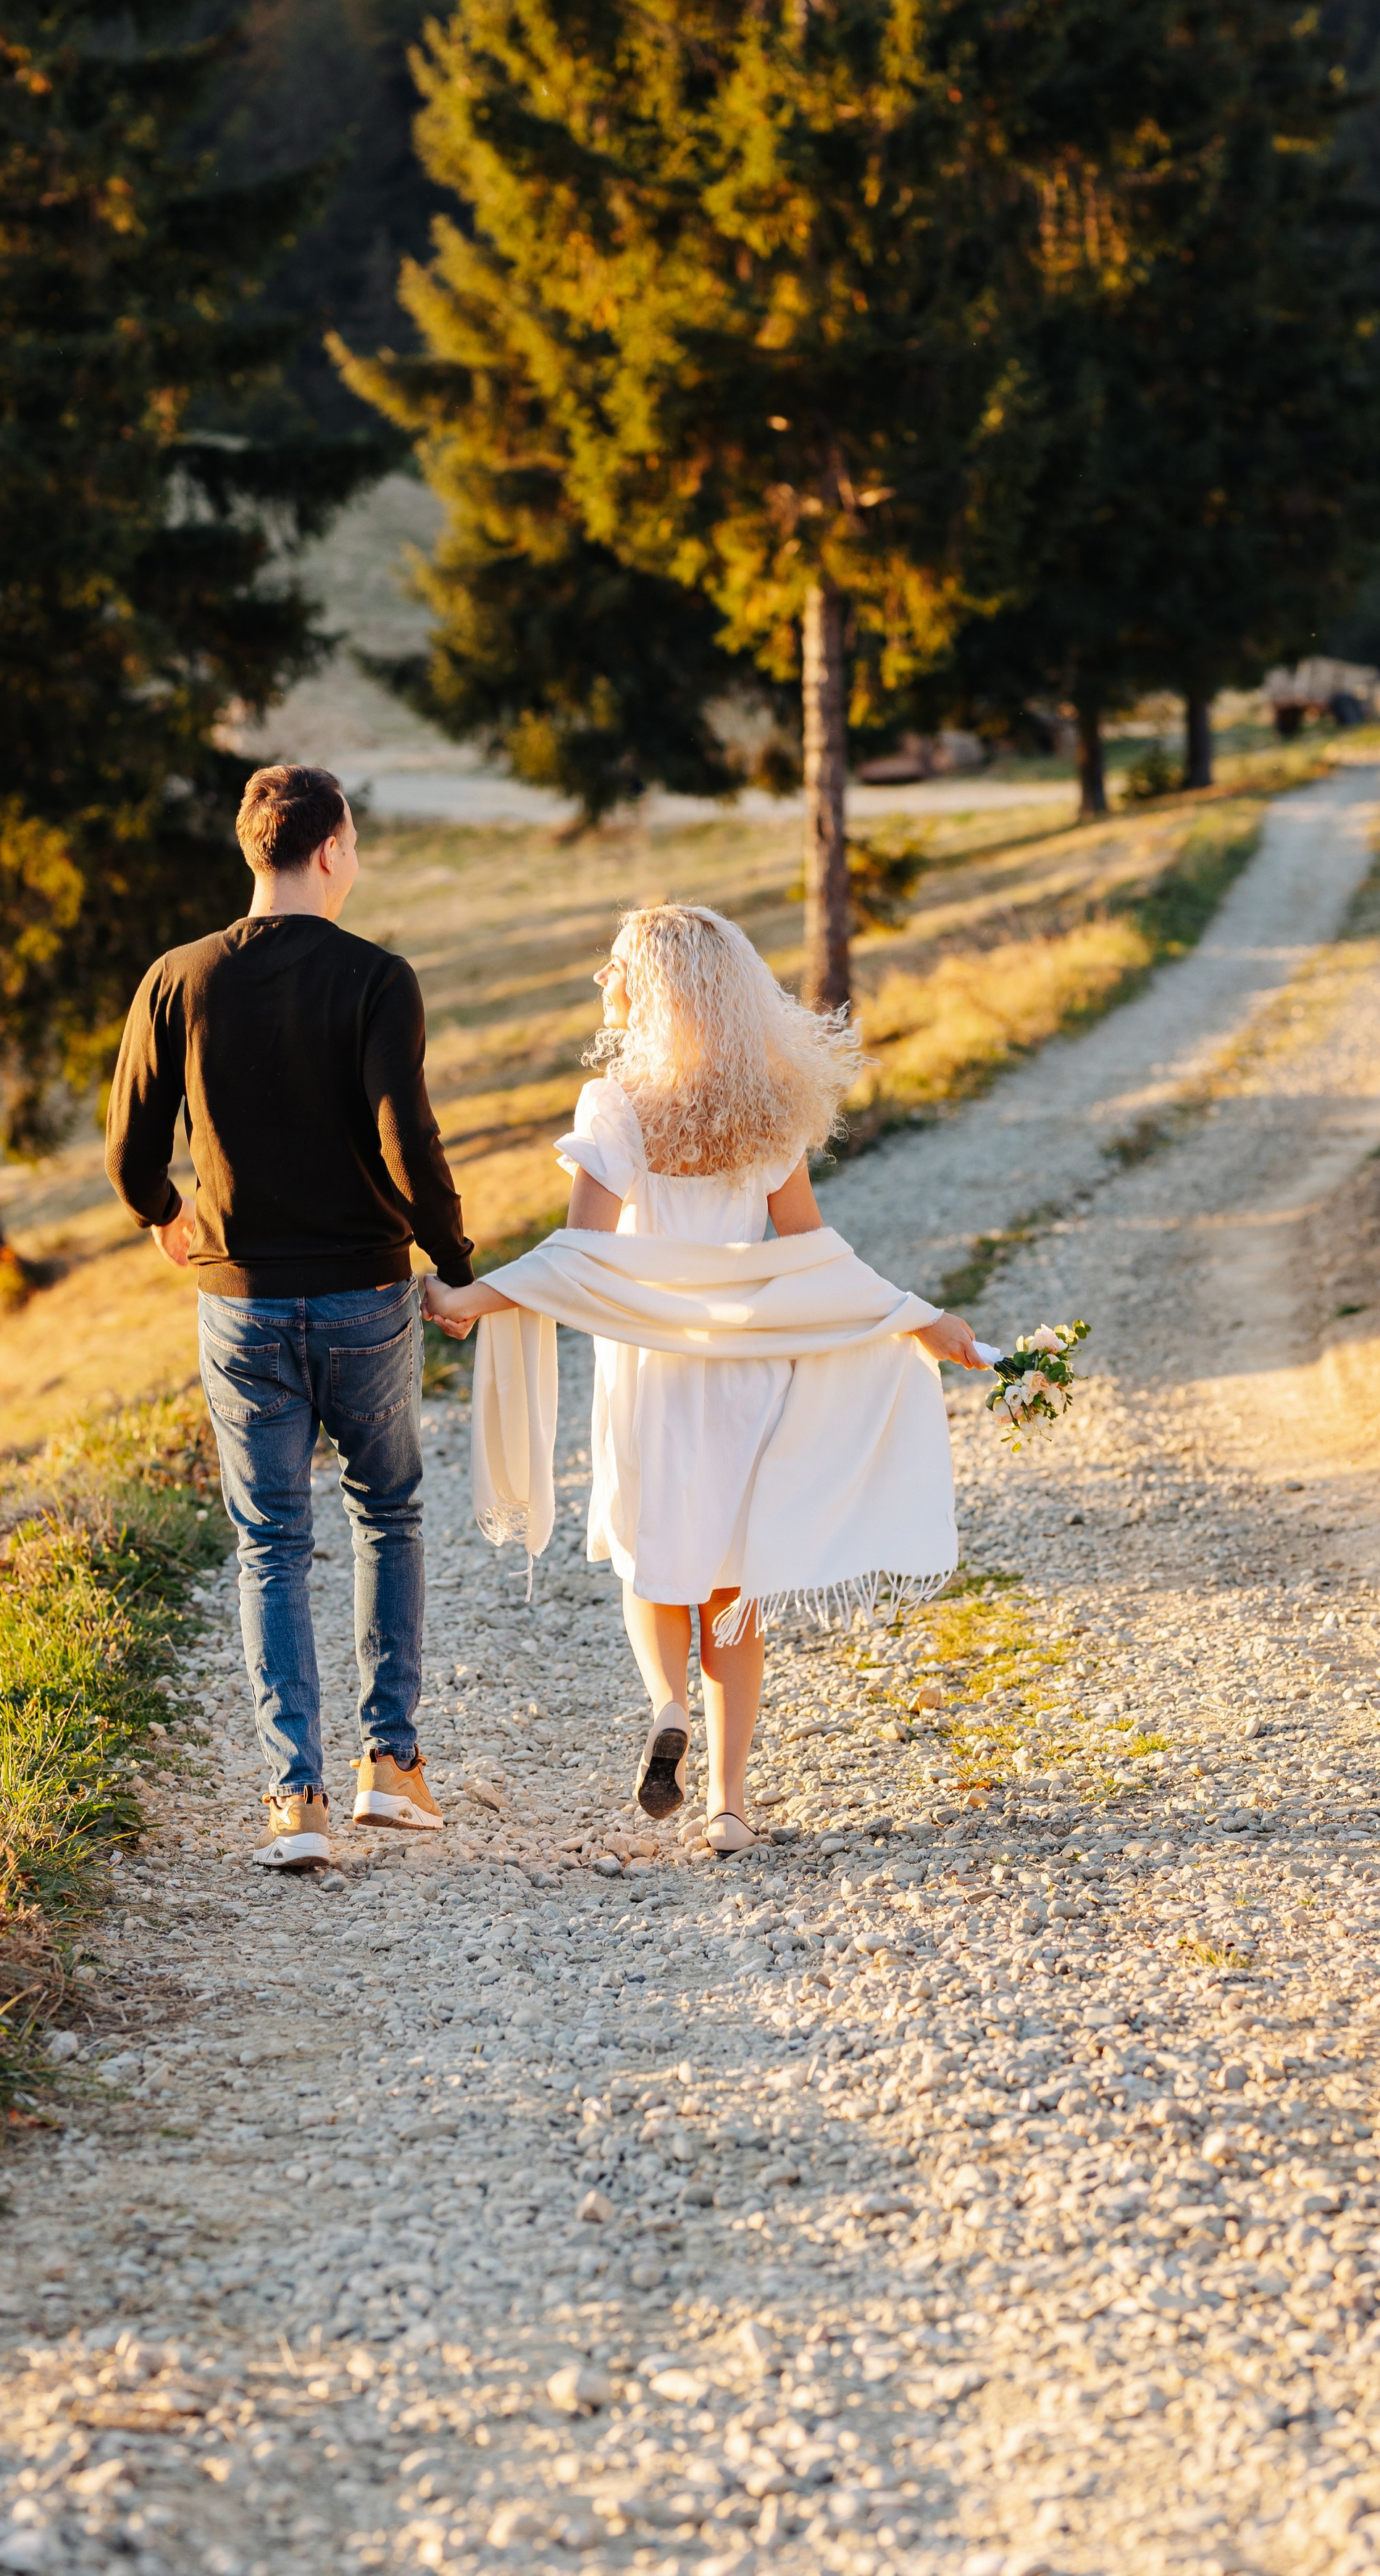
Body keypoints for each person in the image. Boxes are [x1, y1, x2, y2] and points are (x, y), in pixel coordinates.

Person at [424, 903, 991, 1856]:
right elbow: (815, 1257)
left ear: (653, 988)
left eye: (616, 965)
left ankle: (667, 1705)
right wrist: (919, 1317)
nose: (603, 979)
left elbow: (580, 1256)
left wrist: (471, 1299)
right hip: (746, 1379)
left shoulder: (617, 1105)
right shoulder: (766, 1109)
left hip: (653, 1377)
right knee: (734, 1586)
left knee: (652, 1566)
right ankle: (728, 1809)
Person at [106, 762, 474, 1870]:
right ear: (329, 851)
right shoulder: (378, 979)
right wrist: (455, 1262)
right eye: (353, 842)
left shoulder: (177, 978)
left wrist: (164, 1214)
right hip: (365, 1295)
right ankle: (391, 1770)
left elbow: (129, 1147)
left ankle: (294, 1800)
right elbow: (408, 1139)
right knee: (386, 1514)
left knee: (270, 1541)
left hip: (241, 1302)